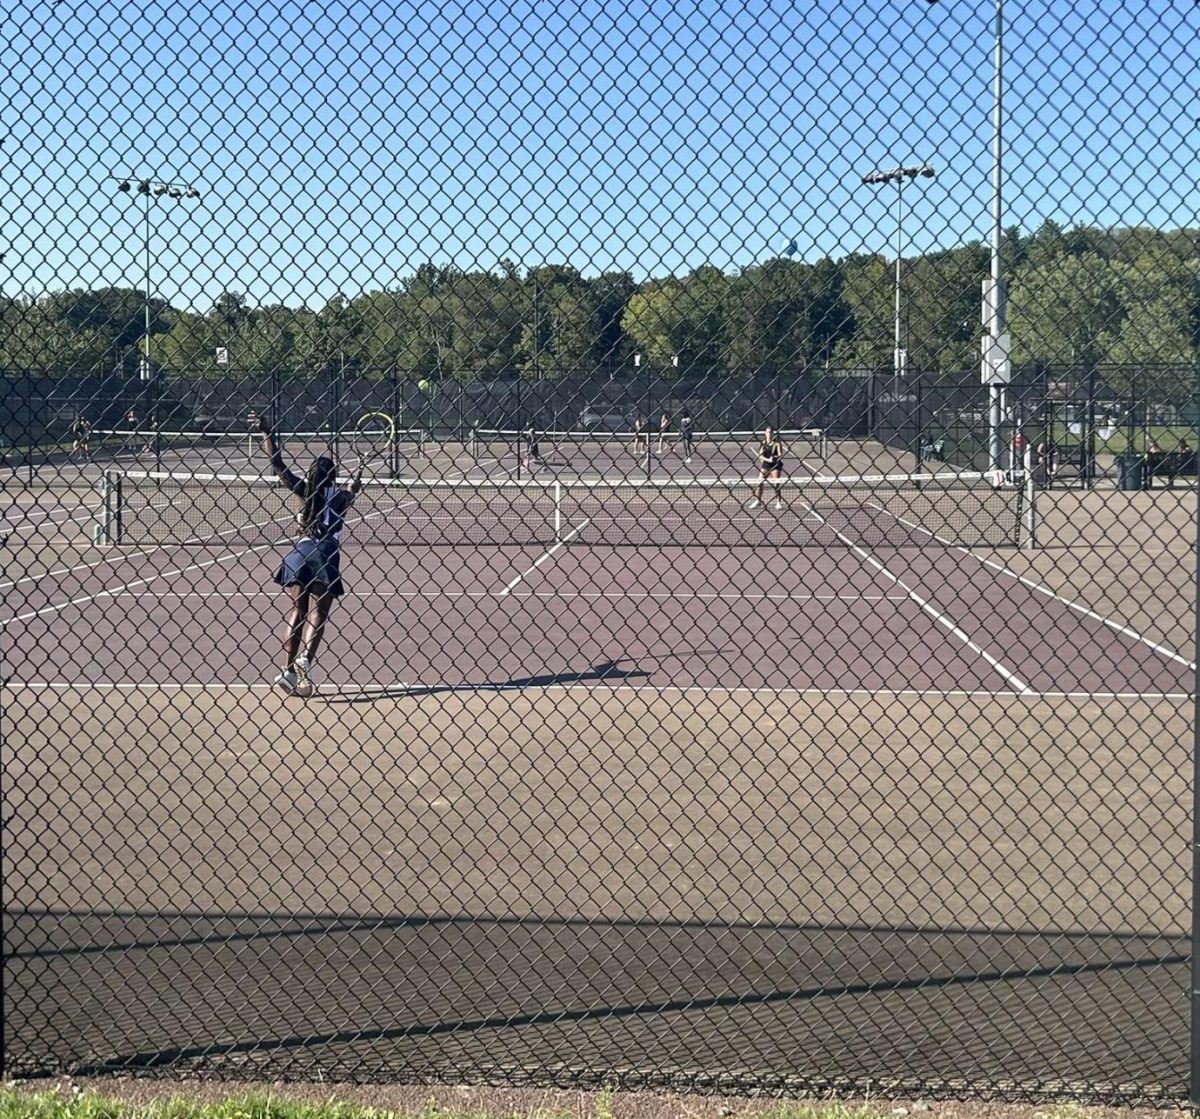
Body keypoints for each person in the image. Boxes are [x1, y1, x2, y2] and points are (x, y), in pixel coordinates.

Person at [258, 417, 363, 697]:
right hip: (325, 555)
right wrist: (357, 481)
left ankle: (288, 669)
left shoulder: (303, 490)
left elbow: (277, 464)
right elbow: (353, 491)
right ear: (333, 477)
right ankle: (307, 658)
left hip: (299, 553)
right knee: (320, 612)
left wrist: (268, 432)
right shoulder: (341, 497)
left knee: (297, 611)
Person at [749, 425, 785, 510]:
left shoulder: (777, 443)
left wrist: (775, 458)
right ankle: (758, 501)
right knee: (759, 482)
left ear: (773, 433)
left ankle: (778, 502)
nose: (769, 434)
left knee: (776, 484)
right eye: (768, 432)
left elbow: (780, 454)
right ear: (765, 433)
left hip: (775, 465)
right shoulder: (763, 443)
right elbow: (760, 456)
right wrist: (768, 460)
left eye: (770, 432)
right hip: (766, 464)